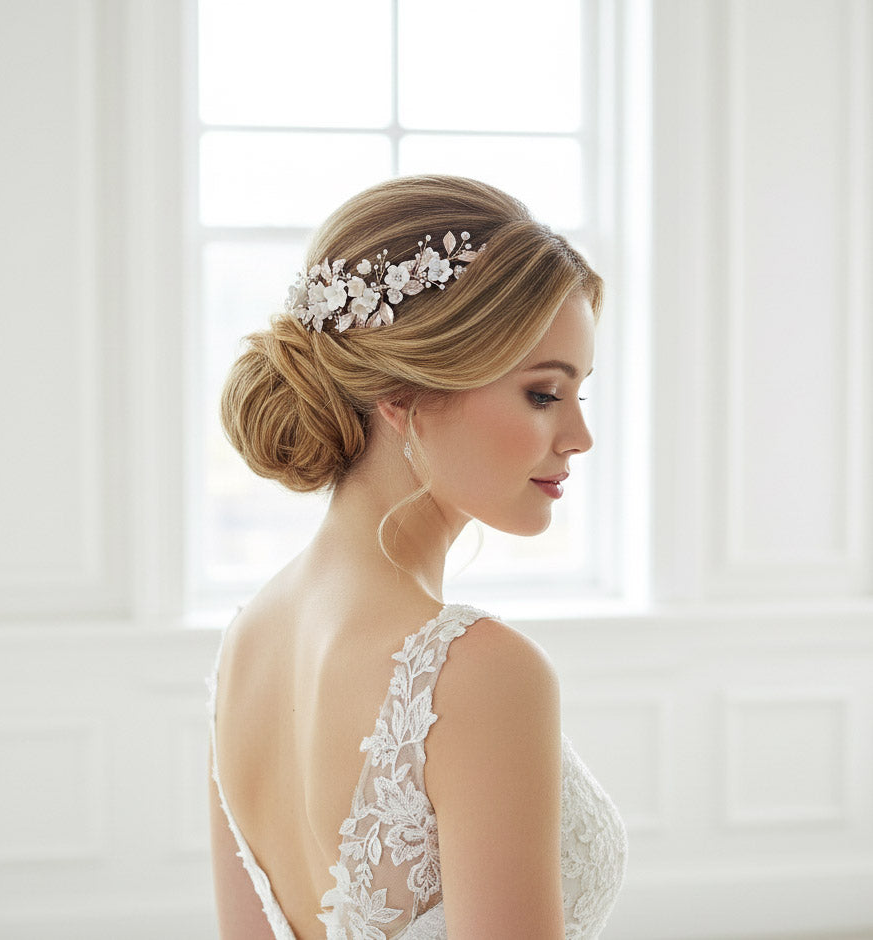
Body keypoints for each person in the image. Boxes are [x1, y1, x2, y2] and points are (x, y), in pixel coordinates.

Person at [206, 174, 627, 939]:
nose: (578, 438)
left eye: (579, 396)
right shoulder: (477, 670)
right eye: (542, 394)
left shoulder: (247, 641)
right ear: (404, 396)